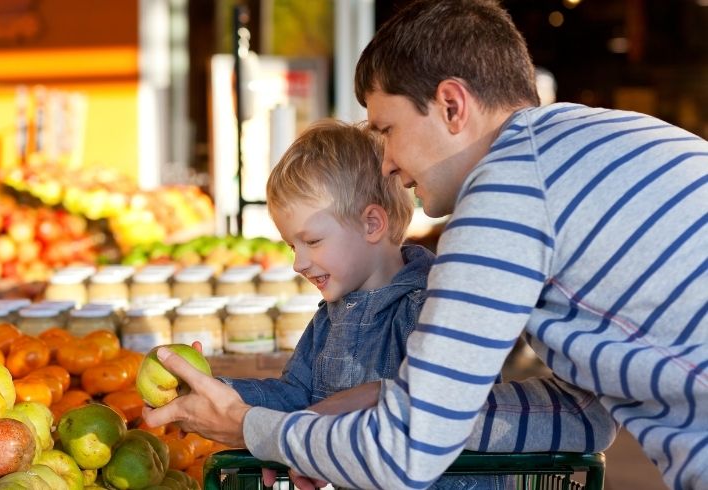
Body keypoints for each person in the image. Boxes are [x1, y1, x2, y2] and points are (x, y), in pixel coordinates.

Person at [145, 1, 708, 489]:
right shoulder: (600, 140)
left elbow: (404, 455)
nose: (386, 161)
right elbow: (587, 417)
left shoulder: (508, 189)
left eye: (386, 129)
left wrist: (249, 427)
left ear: (452, 105)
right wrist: (390, 401)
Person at [219, 119, 503, 489]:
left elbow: (457, 423)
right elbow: (295, 396)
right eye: (293, 246)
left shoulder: (429, 311)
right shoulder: (328, 319)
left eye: (313, 241)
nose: (298, 263)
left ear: (371, 224)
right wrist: (222, 394)